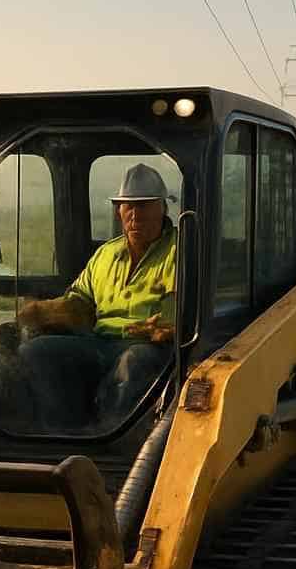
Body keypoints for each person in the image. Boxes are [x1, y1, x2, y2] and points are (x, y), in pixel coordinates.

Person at [14, 163, 177, 431]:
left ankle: (110, 437)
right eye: (129, 207)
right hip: (99, 342)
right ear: (119, 211)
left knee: (134, 361)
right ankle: (61, 433)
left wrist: (164, 328)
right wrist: (41, 311)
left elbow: (179, 312)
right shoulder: (105, 255)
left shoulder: (179, 251)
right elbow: (79, 301)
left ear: (162, 208)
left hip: (149, 348)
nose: (136, 216)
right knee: (35, 351)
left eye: (145, 206)